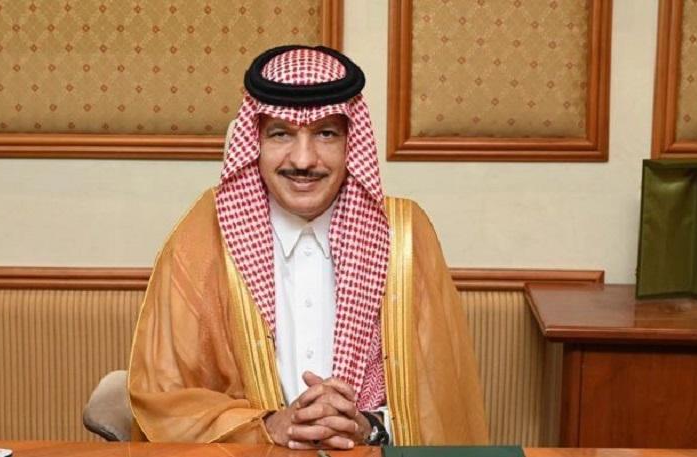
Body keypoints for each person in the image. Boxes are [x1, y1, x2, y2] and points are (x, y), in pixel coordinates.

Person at [128, 45, 488, 448]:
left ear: (352, 142)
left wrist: (368, 427)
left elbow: (440, 400)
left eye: (326, 133)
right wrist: (267, 426)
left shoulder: (403, 236)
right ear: (254, 140)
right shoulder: (204, 238)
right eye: (281, 133)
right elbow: (164, 397)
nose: (303, 159)